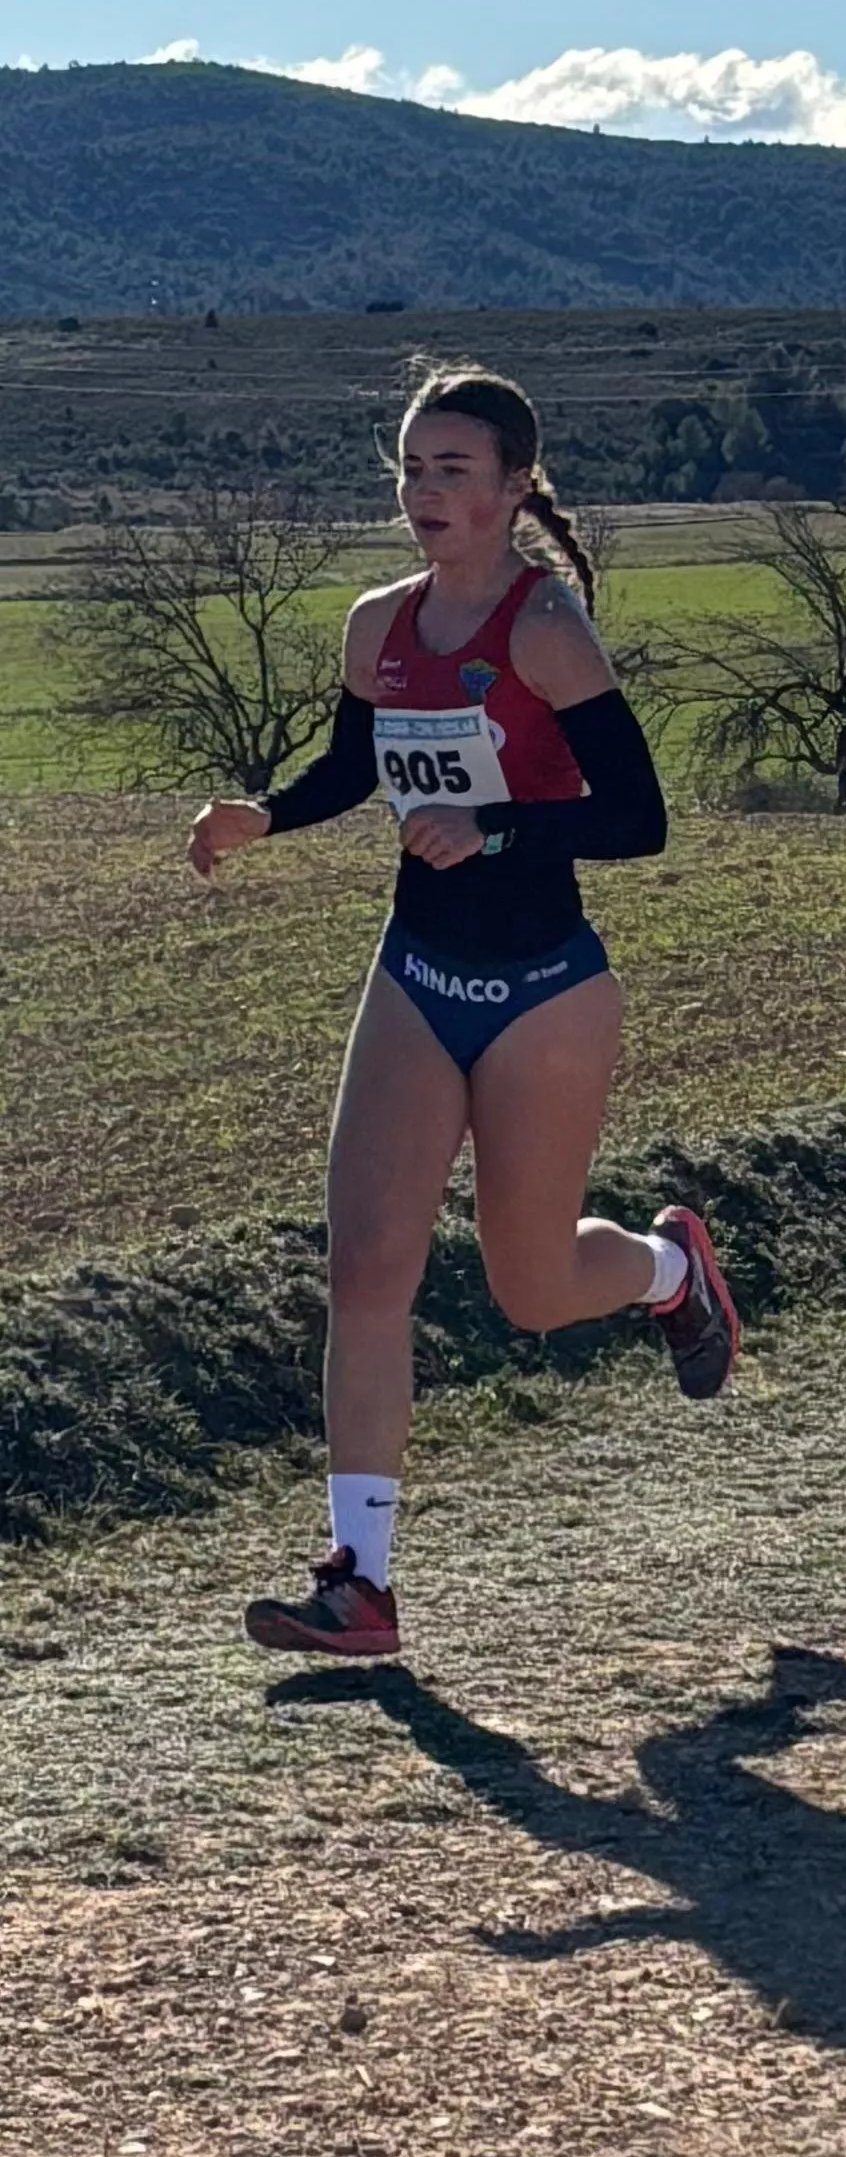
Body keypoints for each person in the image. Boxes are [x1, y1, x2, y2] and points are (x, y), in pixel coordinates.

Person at [189, 362, 738, 1660]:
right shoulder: (377, 624)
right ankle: (359, 1581)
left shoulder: (545, 630)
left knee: (531, 1288)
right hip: (416, 975)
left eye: (452, 469)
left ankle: (670, 1270)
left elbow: (638, 819)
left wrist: (489, 822)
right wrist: (262, 814)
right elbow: (350, 764)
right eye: (410, 468)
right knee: (367, 1261)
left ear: (508, 490)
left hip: (548, 989)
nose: (425, 491)